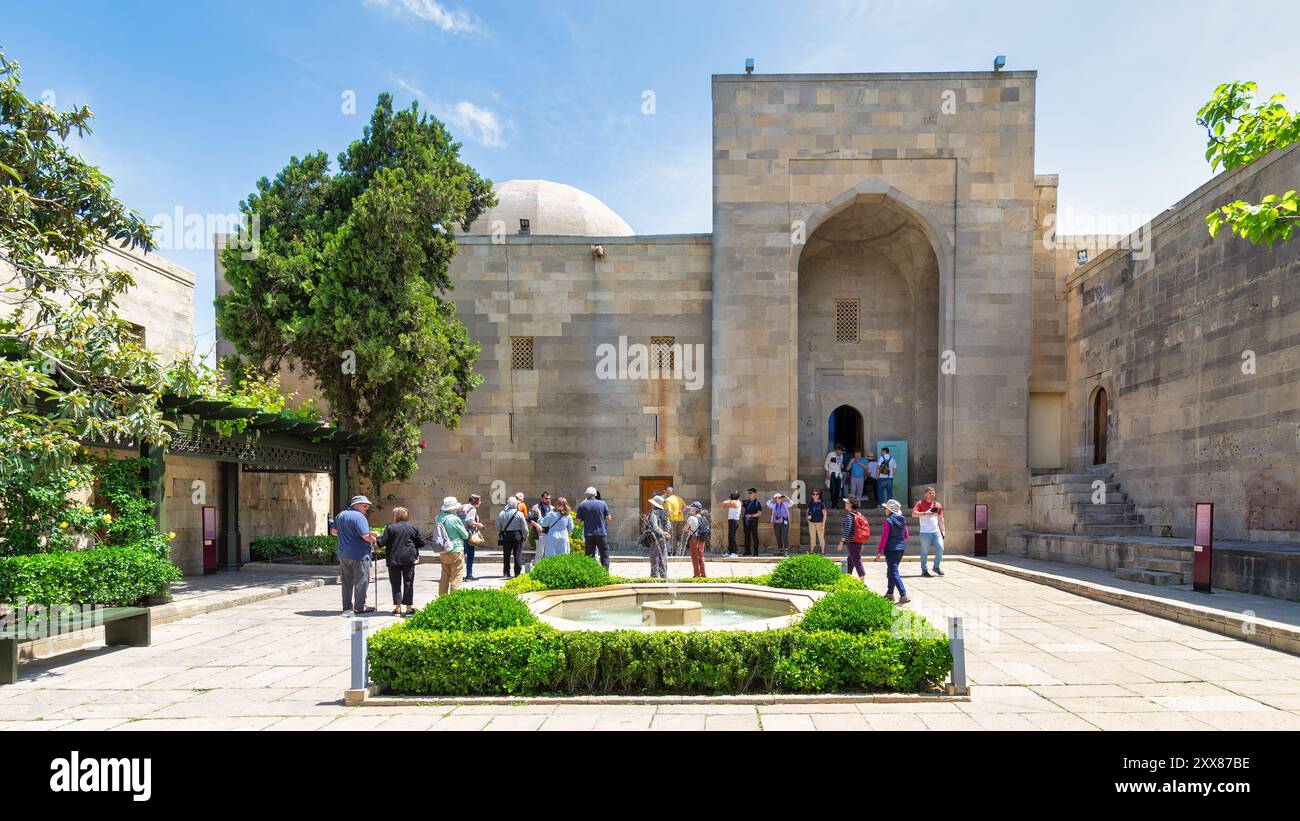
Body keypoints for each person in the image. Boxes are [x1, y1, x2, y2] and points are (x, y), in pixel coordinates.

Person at [335, 495, 378, 615]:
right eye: (365, 506)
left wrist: (348, 534)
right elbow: (365, 536)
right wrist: (374, 538)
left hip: (343, 554)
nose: (366, 509)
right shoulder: (359, 517)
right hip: (359, 555)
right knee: (362, 581)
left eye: (367, 506)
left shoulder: (341, 515)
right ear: (356, 505)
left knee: (347, 582)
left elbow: (333, 532)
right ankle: (359, 607)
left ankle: (347, 607)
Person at [378, 506, 424, 616]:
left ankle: (397, 607)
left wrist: (377, 538)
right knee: (408, 582)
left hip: (394, 558)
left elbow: (381, 543)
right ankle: (409, 608)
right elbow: (421, 543)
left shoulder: (390, 528)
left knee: (395, 583)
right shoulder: (413, 527)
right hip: (409, 558)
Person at [879, 499, 910, 604]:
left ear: (889, 510)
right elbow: (906, 535)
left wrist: (879, 551)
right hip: (901, 549)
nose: (884, 510)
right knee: (891, 571)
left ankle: (903, 594)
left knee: (893, 572)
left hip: (891, 550)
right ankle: (889, 593)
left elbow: (884, 538)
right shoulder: (903, 520)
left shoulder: (888, 521)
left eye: (885, 508)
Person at [435, 496, 468, 596]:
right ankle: (453, 601)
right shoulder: (454, 519)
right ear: (454, 508)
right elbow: (465, 535)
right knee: (456, 577)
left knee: (444, 576)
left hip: (443, 550)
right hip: (455, 550)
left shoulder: (438, 517)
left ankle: (442, 600)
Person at [575, 487, 612, 570]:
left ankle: (591, 573)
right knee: (604, 554)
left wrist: (586, 518)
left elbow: (577, 521)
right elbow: (608, 518)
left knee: (589, 556)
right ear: (595, 494)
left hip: (588, 534)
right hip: (601, 533)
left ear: (586, 495)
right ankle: (605, 573)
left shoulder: (582, 505)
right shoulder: (603, 503)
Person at [913, 487, 946, 577]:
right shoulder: (920, 503)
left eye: (933, 493)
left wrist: (943, 530)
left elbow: (940, 519)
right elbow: (913, 514)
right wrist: (925, 513)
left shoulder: (938, 505)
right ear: (925, 494)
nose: (932, 495)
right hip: (925, 532)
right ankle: (924, 570)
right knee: (924, 551)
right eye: (930, 493)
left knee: (940, 548)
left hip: (936, 531)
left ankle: (936, 567)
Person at [837, 496, 870, 584]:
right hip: (858, 541)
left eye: (847, 502)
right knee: (850, 560)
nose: (845, 504)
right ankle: (848, 578)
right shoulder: (857, 514)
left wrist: (841, 542)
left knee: (857, 561)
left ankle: (863, 583)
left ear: (850, 504)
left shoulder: (849, 516)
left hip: (852, 542)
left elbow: (847, 530)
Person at [496, 497, 528, 578]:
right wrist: (525, 535)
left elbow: (497, 527)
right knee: (517, 554)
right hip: (517, 535)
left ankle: (506, 573)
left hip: (506, 536)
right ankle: (517, 573)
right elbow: (524, 527)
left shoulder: (502, 513)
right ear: (515, 504)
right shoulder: (519, 514)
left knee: (506, 555)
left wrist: (502, 531)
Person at [642, 495, 672, 579]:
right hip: (663, 539)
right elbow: (669, 526)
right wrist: (666, 533)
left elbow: (655, 527)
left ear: (655, 504)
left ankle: (655, 577)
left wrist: (662, 532)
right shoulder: (664, 513)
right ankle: (664, 576)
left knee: (654, 558)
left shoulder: (653, 513)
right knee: (663, 557)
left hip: (655, 538)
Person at [459, 494, 484, 581]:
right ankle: (469, 575)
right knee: (470, 555)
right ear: (475, 501)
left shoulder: (462, 507)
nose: (480, 502)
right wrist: (478, 524)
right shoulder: (472, 509)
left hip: (461, 533)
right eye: (479, 501)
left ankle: (458, 574)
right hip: (469, 534)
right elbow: (468, 521)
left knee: (462, 554)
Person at [685, 501, 710, 578]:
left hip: (694, 539)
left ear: (694, 509)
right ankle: (703, 574)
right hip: (702, 539)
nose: (690, 509)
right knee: (701, 556)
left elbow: (685, 529)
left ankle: (696, 575)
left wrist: (689, 529)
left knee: (694, 557)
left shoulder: (691, 518)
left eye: (691, 508)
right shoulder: (704, 518)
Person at [824, 443, 846, 507]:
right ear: (837, 450)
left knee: (838, 489)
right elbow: (826, 464)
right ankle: (833, 504)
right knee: (833, 489)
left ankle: (836, 504)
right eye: (840, 451)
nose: (841, 452)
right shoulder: (830, 455)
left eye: (841, 451)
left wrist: (841, 466)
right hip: (832, 473)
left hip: (839, 474)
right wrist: (827, 472)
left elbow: (839, 464)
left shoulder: (841, 456)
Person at [741, 488, 762, 556]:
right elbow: (738, 503)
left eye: (751, 493)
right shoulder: (746, 502)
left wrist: (751, 515)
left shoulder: (757, 503)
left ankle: (756, 551)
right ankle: (747, 551)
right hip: (746, 522)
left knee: (754, 536)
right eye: (748, 493)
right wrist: (736, 495)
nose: (749, 494)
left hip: (753, 522)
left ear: (755, 494)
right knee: (746, 536)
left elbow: (759, 513)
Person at [664, 487, 686, 552]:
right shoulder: (678, 498)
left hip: (672, 519)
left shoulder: (668, 500)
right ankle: (681, 549)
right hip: (681, 519)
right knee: (680, 535)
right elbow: (685, 506)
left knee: (673, 535)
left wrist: (665, 517)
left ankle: (674, 550)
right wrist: (682, 511)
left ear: (668, 493)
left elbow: (669, 511)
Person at [721, 491, 742, 557]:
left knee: (732, 537)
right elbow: (723, 506)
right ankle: (730, 552)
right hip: (732, 521)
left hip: (734, 521)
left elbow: (723, 503)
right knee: (730, 537)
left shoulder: (735, 502)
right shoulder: (733, 502)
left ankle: (735, 553)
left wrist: (730, 499)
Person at [807, 488, 827, 554]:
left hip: (819, 523)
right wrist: (807, 518)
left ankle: (823, 551)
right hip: (811, 522)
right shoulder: (810, 502)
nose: (815, 495)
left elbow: (824, 514)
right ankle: (811, 551)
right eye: (813, 494)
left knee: (821, 536)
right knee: (812, 537)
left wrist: (823, 523)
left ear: (818, 495)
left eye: (816, 494)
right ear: (812, 495)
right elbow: (808, 510)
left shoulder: (821, 503)